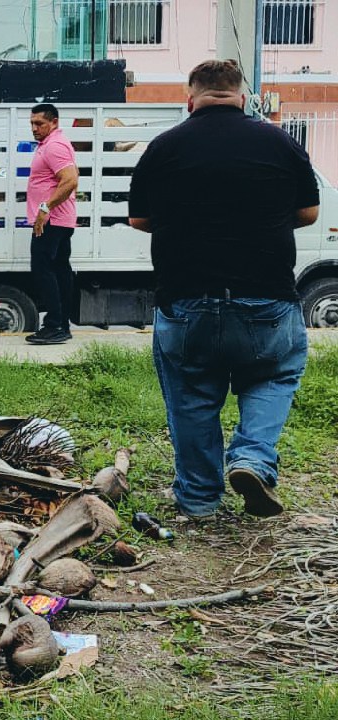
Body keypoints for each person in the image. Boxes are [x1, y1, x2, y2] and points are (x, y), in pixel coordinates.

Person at [129, 59, 318, 519]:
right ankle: (253, 457)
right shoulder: (280, 142)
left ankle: (198, 499)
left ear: (189, 99)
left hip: (185, 300)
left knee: (192, 395)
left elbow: (140, 220)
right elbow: (309, 212)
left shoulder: (164, 147)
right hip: (266, 298)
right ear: (243, 96)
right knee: (273, 376)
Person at [24, 103, 80, 345]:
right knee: (59, 271)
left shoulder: (55, 145)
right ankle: (61, 325)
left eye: (40, 124)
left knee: (44, 270)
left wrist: (45, 209)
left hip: (52, 220)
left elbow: (70, 181)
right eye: (32, 123)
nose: (35, 128)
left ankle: (55, 325)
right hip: (57, 220)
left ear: (54, 122)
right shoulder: (50, 144)